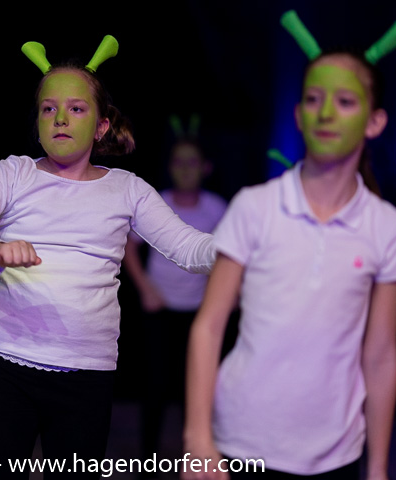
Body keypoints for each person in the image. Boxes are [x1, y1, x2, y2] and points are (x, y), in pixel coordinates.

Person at [0, 35, 216, 479]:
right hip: (8, 362)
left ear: (102, 126)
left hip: (86, 373)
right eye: (49, 108)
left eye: (77, 108)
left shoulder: (126, 189)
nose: (61, 118)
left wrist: (242, 245)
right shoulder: (14, 173)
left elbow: (188, 247)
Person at [182, 13, 396, 480]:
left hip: (337, 452)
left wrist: (378, 468)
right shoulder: (255, 207)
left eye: (345, 101)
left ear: (374, 121)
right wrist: (197, 440)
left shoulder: (389, 228)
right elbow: (208, 327)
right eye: (313, 99)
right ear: (298, 115)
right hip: (242, 442)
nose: (326, 112)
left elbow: (380, 355)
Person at [122, 134, 226, 468]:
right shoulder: (158, 203)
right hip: (160, 310)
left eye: (192, 162)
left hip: (198, 314)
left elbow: (227, 258)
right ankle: (148, 465)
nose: (185, 169)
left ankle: (193, 461)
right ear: (170, 167)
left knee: (195, 389)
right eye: (179, 162)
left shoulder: (216, 208)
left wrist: (221, 298)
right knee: (154, 388)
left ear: (205, 168)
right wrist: (146, 289)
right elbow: (129, 246)